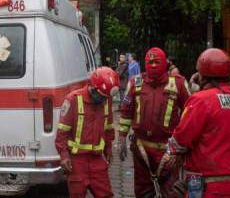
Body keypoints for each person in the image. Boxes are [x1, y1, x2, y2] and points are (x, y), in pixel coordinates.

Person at [163, 48, 230, 198]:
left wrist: (169, 153)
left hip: (211, 187)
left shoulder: (201, 100)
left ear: (202, 75)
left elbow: (181, 139)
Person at [119, 47, 190, 198]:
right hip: (141, 150)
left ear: (165, 63)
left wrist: (184, 145)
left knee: (171, 192)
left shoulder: (178, 84)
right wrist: (121, 138)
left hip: (169, 151)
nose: (153, 65)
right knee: (142, 191)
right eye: (149, 62)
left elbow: (190, 114)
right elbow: (126, 112)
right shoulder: (135, 83)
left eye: (157, 61)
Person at [55, 67, 119, 198]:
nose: (103, 100)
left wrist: (108, 149)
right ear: (92, 86)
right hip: (77, 162)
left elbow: (108, 128)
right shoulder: (73, 100)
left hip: (97, 160)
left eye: (106, 97)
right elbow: (62, 133)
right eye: (102, 96)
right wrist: (64, 155)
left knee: (106, 194)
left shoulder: (105, 100)